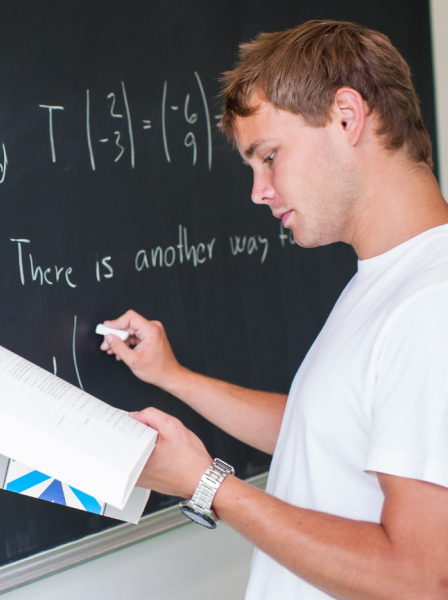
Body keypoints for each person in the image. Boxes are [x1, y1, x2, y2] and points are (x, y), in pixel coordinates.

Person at [99, 20, 448, 599]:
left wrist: (207, 484)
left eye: (269, 156)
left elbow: (421, 578)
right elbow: (331, 433)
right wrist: (173, 378)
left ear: (346, 116)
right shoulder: (389, 280)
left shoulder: (431, 303)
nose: (259, 191)